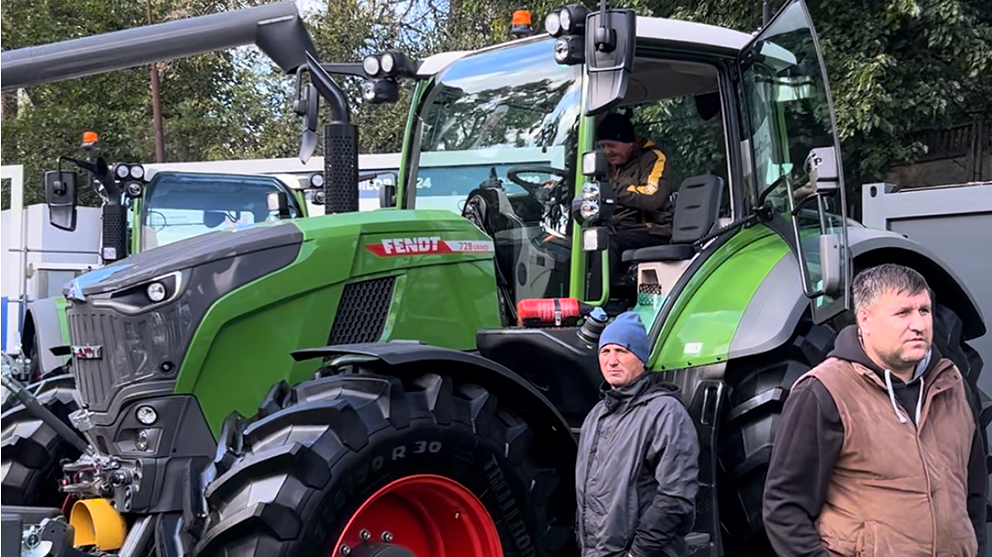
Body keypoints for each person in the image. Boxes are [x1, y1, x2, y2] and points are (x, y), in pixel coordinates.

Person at [763, 264, 988, 557]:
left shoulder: (953, 387)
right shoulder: (824, 391)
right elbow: (785, 507)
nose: (919, 324)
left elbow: (974, 496)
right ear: (865, 320)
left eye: (924, 310)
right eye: (902, 313)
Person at [575, 311, 700, 557]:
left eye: (621, 351)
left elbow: (676, 497)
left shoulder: (665, 412)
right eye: (605, 351)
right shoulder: (596, 416)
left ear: (642, 358)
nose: (612, 361)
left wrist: (638, 553)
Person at [596, 112, 674, 278]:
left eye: (611, 145)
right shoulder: (609, 165)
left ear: (630, 142)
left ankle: (599, 299)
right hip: (617, 229)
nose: (607, 151)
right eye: (603, 146)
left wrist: (609, 189)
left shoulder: (653, 158)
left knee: (605, 244)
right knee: (570, 244)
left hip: (649, 230)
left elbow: (652, 197)